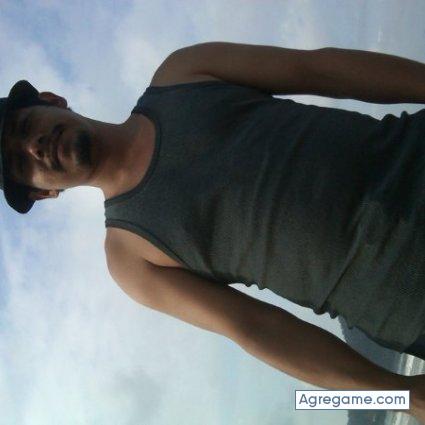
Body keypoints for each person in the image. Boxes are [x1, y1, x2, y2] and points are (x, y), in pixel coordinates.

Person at [1, 41, 425, 421]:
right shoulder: (129, 258)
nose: (33, 147)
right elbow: (255, 328)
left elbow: (317, 69)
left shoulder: (183, 72)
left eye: (24, 128)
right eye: (21, 163)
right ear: (43, 193)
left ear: (51, 100)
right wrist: (399, 396)